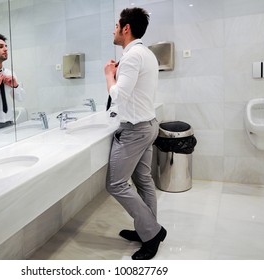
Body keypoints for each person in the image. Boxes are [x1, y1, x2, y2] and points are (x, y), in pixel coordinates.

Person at [103, 7, 166, 260]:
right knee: (143, 181)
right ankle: (147, 230)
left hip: (135, 131)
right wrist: (119, 74)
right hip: (148, 125)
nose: (114, 30)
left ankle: (151, 232)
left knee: (116, 184)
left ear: (126, 28)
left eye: (116, 26)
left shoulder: (132, 56)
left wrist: (109, 75)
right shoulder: (146, 53)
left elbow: (119, 95)